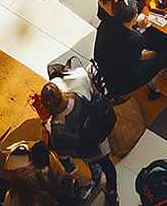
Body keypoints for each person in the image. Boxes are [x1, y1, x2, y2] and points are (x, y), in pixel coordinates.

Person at [40, 77, 118, 206]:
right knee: (107, 165)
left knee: (96, 163)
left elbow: (62, 151)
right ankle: (112, 191)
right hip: (98, 135)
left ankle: (97, 177)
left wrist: (45, 123)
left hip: (87, 151)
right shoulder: (74, 95)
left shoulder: (57, 126)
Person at [93, 0, 167, 98]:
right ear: (134, 17)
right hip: (123, 81)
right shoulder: (135, 39)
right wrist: (156, 52)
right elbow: (141, 56)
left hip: (107, 69)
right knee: (163, 59)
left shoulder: (105, 24)